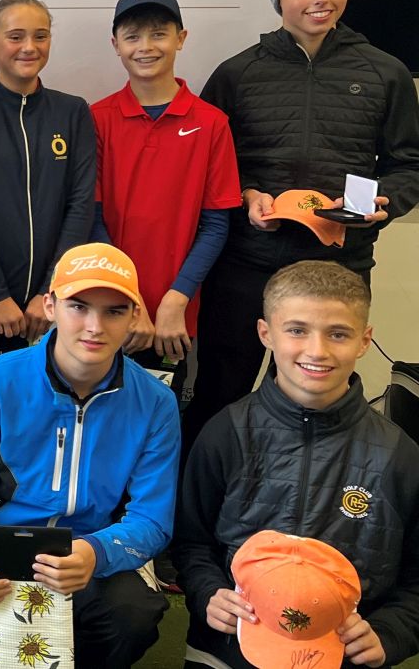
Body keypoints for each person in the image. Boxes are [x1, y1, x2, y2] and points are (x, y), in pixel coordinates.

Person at [189, 0, 419, 446]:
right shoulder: (237, 73)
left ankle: (298, 510)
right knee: (220, 390)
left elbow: (410, 165)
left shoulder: (386, 73)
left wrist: (385, 200)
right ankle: (198, 509)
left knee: (310, 398)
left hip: (339, 266)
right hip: (246, 264)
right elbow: (209, 164)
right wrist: (247, 194)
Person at [0, 243, 179, 669]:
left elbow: (152, 518)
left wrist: (95, 553)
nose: (94, 326)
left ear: (134, 317)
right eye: (79, 306)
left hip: (85, 554)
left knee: (135, 615)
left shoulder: (157, 402)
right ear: (51, 306)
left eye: (114, 311)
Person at [173, 260, 419, 669]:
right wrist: (207, 593)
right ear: (265, 334)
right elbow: (190, 541)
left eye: (338, 333)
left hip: (341, 655)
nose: (317, 351)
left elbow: (416, 577)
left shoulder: (400, 455)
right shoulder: (226, 433)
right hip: (228, 648)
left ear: (364, 340)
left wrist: (391, 632)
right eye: (297, 330)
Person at [0, 0, 96, 399]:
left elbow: (80, 207)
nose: (29, 47)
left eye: (40, 36)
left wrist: (50, 293)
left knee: (43, 411)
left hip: (50, 305)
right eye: (15, 36)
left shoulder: (73, 112)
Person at [91, 0, 239, 396]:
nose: (146, 47)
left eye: (158, 33)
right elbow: (92, 218)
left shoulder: (211, 123)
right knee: (95, 422)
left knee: (159, 430)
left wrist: (176, 300)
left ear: (181, 38)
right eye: (133, 36)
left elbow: (215, 225)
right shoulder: (96, 119)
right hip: (108, 308)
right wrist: (129, 298)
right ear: (116, 45)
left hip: (172, 321)